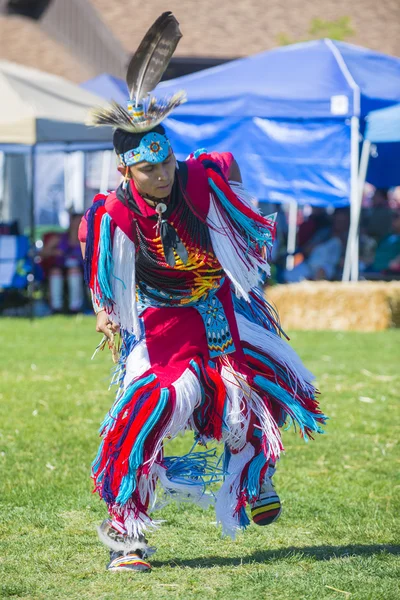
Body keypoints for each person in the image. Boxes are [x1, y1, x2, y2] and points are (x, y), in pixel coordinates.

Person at [79, 12, 326, 573]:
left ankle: (253, 479)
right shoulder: (113, 212)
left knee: (251, 396)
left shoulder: (199, 177)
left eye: (165, 159)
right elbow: (105, 275)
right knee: (149, 409)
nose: (161, 173)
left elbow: (235, 192)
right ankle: (129, 536)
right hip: (164, 324)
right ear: (124, 170)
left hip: (224, 307)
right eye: (148, 168)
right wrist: (105, 313)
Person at [284, 209, 350, 283]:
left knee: (321, 271)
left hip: (331, 267)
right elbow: (307, 249)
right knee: (289, 275)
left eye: (342, 221)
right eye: (338, 221)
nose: (339, 224)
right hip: (311, 264)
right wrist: (313, 247)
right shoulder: (324, 233)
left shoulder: (351, 238)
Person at [41, 213, 84, 313]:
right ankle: (56, 307)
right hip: (60, 267)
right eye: (76, 221)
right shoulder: (59, 238)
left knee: (74, 271)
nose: (78, 224)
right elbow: (42, 253)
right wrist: (54, 252)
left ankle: (75, 307)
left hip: (79, 269)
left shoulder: (86, 240)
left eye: (81, 222)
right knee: (55, 272)